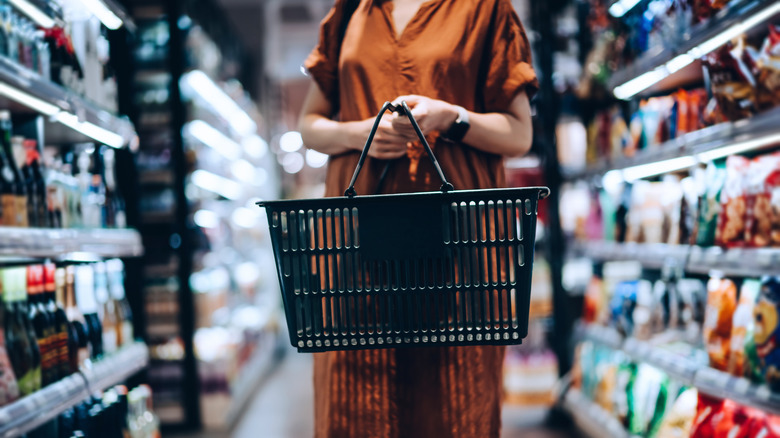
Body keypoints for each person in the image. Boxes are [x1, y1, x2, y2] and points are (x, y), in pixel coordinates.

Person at [298, 0, 538, 436]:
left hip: (461, 248)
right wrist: (361, 133)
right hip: (354, 247)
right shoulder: (351, 11)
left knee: (454, 401)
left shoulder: (486, 11)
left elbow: (520, 133)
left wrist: (451, 117)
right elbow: (309, 126)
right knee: (352, 401)